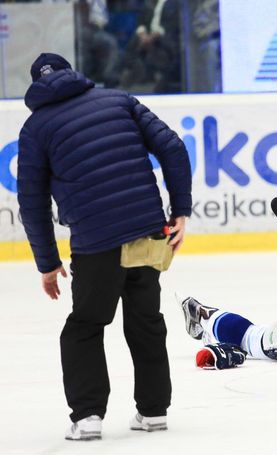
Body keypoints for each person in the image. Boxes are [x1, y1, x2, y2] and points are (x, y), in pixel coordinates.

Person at [17, 53, 192, 441]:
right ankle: (153, 412)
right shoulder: (119, 100)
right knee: (145, 319)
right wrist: (180, 210)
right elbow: (174, 148)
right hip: (148, 231)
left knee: (85, 325)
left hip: (96, 243)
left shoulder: (35, 128)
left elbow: (31, 202)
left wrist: (47, 262)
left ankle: (88, 417)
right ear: (72, 73)